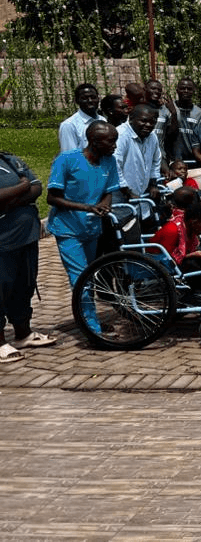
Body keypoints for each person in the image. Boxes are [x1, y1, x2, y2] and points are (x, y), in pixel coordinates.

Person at [46, 122, 121, 330]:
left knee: (90, 275)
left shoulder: (109, 161)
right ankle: (91, 327)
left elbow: (109, 191)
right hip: (68, 229)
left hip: (92, 229)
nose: (115, 145)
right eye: (111, 141)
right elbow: (52, 198)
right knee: (80, 278)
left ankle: (90, 318)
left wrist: (105, 204)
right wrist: (87, 207)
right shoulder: (67, 160)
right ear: (95, 142)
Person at [0, 149, 53, 361]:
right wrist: (21, 187)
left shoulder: (9, 159)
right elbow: (26, 185)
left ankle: (23, 333)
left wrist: (10, 201)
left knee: (24, 285)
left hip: (25, 237)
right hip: (3, 241)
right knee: (1, 288)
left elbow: (37, 187)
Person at [114, 104, 162, 217]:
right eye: (144, 121)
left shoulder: (152, 137)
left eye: (152, 122)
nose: (148, 125)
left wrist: (153, 184)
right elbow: (115, 165)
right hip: (121, 196)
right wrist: (127, 191)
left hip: (142, 195)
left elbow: (156, 161)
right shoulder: (121, 135)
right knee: (125, 230)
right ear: (131, 119)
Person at [58, 83, 104, 153]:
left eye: (93, 97)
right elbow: (70, 156)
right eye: (85, 98)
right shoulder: (69, 125)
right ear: (76, 101)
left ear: (98, 98)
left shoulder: (103, 121)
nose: (90, 101)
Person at [171, 77, 201, 162]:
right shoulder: (169, 109)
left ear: (193, 91)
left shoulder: (199, 113)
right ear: (177, 90)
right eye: (183, 88)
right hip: (172, 161)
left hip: (193, 160)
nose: (186, 91)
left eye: (189, 89)